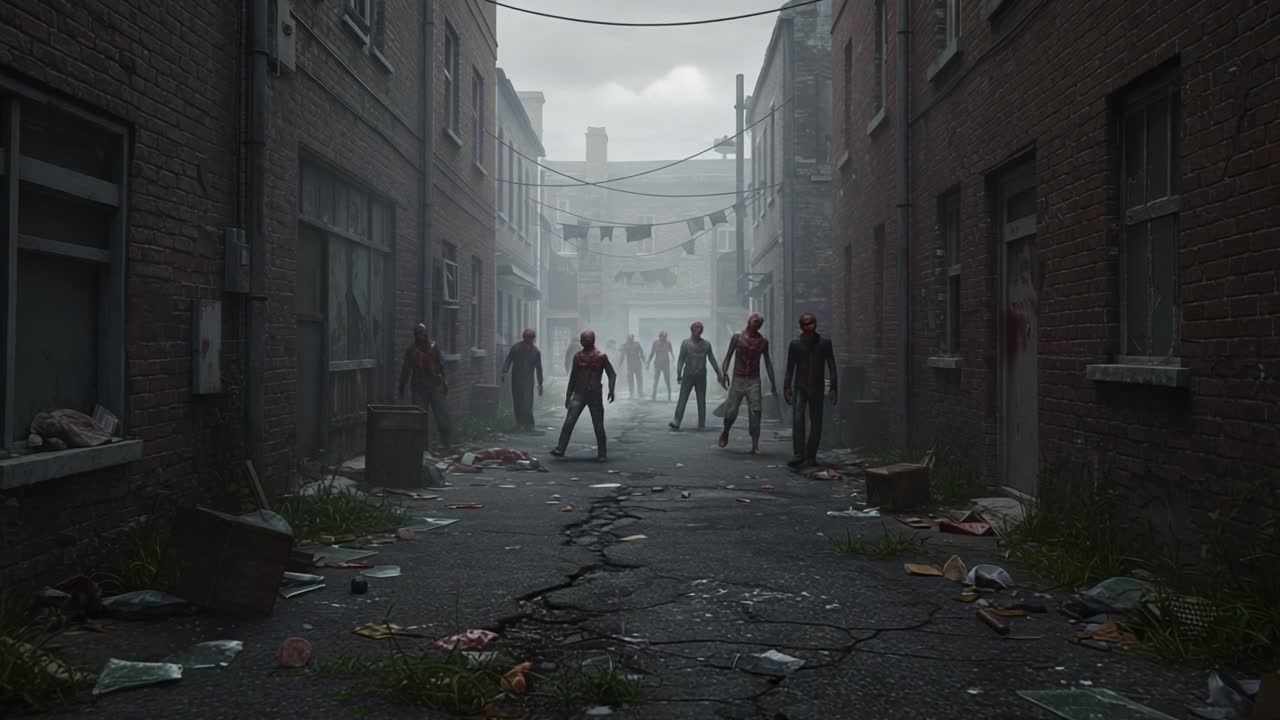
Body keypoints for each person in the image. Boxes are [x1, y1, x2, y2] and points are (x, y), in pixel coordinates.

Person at [551, 330, 617, 462]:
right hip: (579, 394)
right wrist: (568, 395)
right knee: (569, 422)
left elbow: (612, 374)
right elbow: (573, 377)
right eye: (583, 339)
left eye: (586, 339)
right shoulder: (578, 357)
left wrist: (611, 390)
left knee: (598, 425)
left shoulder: (601, 357)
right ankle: (560, 449)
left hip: (594, 394)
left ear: (592, 340)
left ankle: (602, 453)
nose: (584, 342)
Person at [783, 313, 838, 468]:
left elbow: (832, 366)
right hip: (800, 387)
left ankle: (811, 455)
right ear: (801, 326)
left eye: (812, 323)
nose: (810, 326)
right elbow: (790, 368)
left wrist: (834, 387)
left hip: (817, 387)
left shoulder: (824, 344)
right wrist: (787, 387)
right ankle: (799, 454)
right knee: (798, 420)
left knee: (816, 422)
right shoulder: (795, 345)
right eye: (806, 324)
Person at [718, 313, 778, 455]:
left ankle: (755, 444)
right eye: (756, 321)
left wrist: (773, 383)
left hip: (753, 380)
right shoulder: (737, 338)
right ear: (749, 321)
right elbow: (728, 357)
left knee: (756, 412)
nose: (758, 324)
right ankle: (726, 430)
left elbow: (768, 362)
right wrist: (724, 372)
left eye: (760, 322)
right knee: (731, 411)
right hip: (738, 379)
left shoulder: (763, 342)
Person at [398, 322, 451, 449]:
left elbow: (440, 366)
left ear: (425, 333)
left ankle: (446, 443)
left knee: (442, 415)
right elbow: (405, 370)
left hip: (435, 386)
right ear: (415, 335)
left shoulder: (433, 347)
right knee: (419, 419)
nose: (420, 336)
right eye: (418, 333)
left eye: (422, 333)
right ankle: (422, 447)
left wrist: (444, 382)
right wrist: (402, 387)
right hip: (419, 389)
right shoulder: (411, 351)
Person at [669, 322, 723, 431]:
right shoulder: (686, 343)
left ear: (702, 330)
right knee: (683, 398)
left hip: (701, 375)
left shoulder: (706, 344)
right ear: (692, 329)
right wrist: (679, 374)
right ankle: (677, 420)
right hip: (688, 374)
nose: (698, 329)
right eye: (696, 327)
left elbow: (712, 359)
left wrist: (718, 373)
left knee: (701, 399)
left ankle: (701, 423)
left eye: (700, 328)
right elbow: (681, 359)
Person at [501, 328, 544, 432]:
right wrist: (504, 371)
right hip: (517, 379)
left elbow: (539, 368)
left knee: (528, 402)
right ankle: (519, 423)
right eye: (528, 337)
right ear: (524, 337)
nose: (530, 339)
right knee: (518, 401)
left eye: (532, 337)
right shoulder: (516, 348)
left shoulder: (535, 352)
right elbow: (508, 360)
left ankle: (529, 424)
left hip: (528, 381)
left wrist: (540, 383)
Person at [648, 330, 675, 402]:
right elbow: (652, 353)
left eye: (665, 336)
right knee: (656, 380)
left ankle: (669, 396)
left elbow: (671, 353)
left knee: (667, 380)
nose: (664, 338)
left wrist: (674, 362)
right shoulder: (655, 343)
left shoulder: (668, 343)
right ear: (660, 336)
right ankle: (654, 395)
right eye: (663, 336)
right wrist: (648, 362)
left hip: (666, 364)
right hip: (657, 364)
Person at [619, 334, 645, 399]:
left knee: (639, 379)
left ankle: (640, 392)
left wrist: (644, 361)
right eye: (629, 339)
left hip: (637, 365)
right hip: (630, 366)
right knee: (631, 380)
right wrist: (620, 364)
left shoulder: (637, 344)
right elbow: (622, 355)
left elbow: (641, 353)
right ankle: (632, 393)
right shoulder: (625, 346)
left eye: (631, 338)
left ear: (633, 339)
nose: (630, 340)